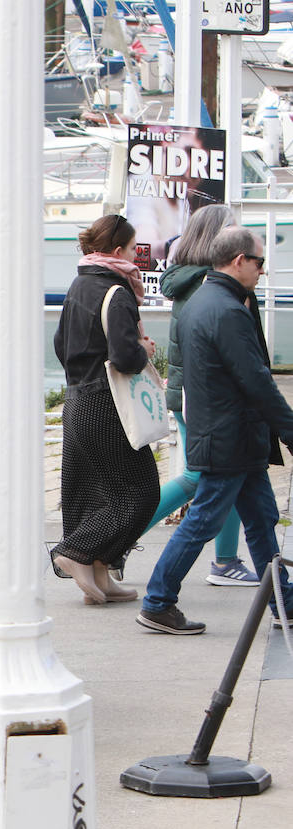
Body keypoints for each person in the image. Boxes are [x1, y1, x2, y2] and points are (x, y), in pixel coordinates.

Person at [139, 227, 293, 635]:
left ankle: (283, 601)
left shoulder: (201, 301)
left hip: (226, 435)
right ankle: (158, 601)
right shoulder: (227, 310)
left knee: (261, 519)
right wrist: (289, 429)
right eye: (260, 262)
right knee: (203, 521)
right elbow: (256, 379)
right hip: (230, 437)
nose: (263, 270)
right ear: (240, 260)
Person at [145, 205, 259, 586]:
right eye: (232, 231)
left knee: (231, 471)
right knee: (199, 476)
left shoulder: (188, 278)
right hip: (206, 398)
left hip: (189, 392)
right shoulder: (212, 284)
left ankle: (226, 560)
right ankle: (119, 537)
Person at [51, 214, 160, 605]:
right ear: (117, 251)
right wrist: (144, 349)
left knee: (97, 491)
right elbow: (126, 358)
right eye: (132, 249)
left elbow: (60, 344)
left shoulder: (79, 284)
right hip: (107, 404)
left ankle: (99, 570)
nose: (135, 257)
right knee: (142, 492)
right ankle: (76, 551)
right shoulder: (117, 291)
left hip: (78, 399)